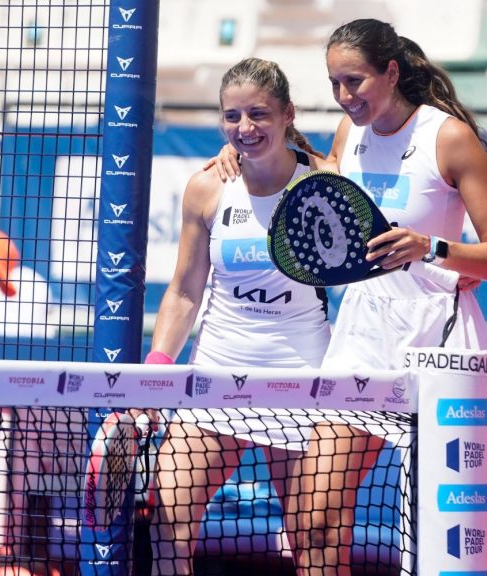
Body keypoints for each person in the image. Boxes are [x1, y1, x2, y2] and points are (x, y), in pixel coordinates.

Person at [208, 19, 487, 440]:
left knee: (439, 503)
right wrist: (244, 144)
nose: (343, 97)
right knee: (320, 501)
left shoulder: (448, 137)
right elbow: (312, 175)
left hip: (436, 333)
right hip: (362, 330)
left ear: (391, 73)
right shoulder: (349, 131)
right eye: (335, 83)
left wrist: (429, 248)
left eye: (354, 81)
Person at [143, 57, 384, 576]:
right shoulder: (207, 187)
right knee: (166, 526)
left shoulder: (324, 181)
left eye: (258, 114)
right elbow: (184, 290)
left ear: (287, 114)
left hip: (301, 378)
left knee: (315, 541)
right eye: (232, 117)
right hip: (217, 373)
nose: (245, 128)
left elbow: (380, 253)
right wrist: (159, 368)